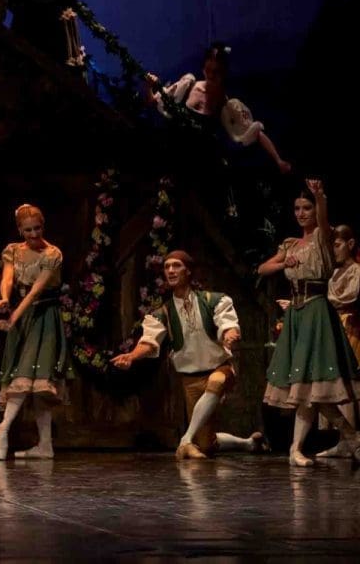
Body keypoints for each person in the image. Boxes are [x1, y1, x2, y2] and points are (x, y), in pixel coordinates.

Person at [111, 250, 266, 458]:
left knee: (216, 382)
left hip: (219, 368)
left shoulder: (212, 300)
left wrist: (230, 333)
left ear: (188, 271)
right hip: (190, 379)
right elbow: (149, 342)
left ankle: (185, 441)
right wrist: (131, 356)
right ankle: (249, 444)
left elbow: (227, 323)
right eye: (167, 267)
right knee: (206, 444)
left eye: (176, 266)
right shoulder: (164, 312)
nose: (171, 270)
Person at [256, 179, 360, 465]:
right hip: (296, 314)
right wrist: (283, 264)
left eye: (307, 208)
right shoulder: (291, 244)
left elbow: (324, 222)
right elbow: (263, 268)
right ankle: (347, 438)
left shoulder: (322, 237)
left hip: (316, 310)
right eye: (297, 208)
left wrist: (320, 196)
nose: (301, 213)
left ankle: (302, 447)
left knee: (313, 385)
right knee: (307, 387)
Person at [0, 204, 72, 460]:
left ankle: (23, 435)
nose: (34, 234)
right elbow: (8, 279)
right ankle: (13, 430)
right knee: (23, 374)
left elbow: (36, 290)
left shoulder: (52, 254)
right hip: (23, 316)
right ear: (20, 230)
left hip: (45, 317)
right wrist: (5, 299)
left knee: (38, 380)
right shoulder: (13, 250)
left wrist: (12, 318)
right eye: (28, 230)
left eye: (37, 228)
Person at [146, 43, 291, 174]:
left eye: (216, 72)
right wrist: (149, 85)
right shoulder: (188, 85)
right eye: (208, 70)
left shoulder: (226, 104)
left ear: (223, 73)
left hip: (202, 165)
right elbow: (153, 101)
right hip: (174, 156)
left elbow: (255, 132)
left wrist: (278, 160)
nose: (210, 75)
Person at [320, 224, 360, 458]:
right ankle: (345, 439)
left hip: (351, 329)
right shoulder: (334, 274)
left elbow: (348, 296)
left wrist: (321, 301)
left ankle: (351, 439)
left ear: (350, 244)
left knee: (349, 384)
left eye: (337, 245)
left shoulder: (356, 271)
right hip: (334, 327)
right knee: (336, 384)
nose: (333, 250)